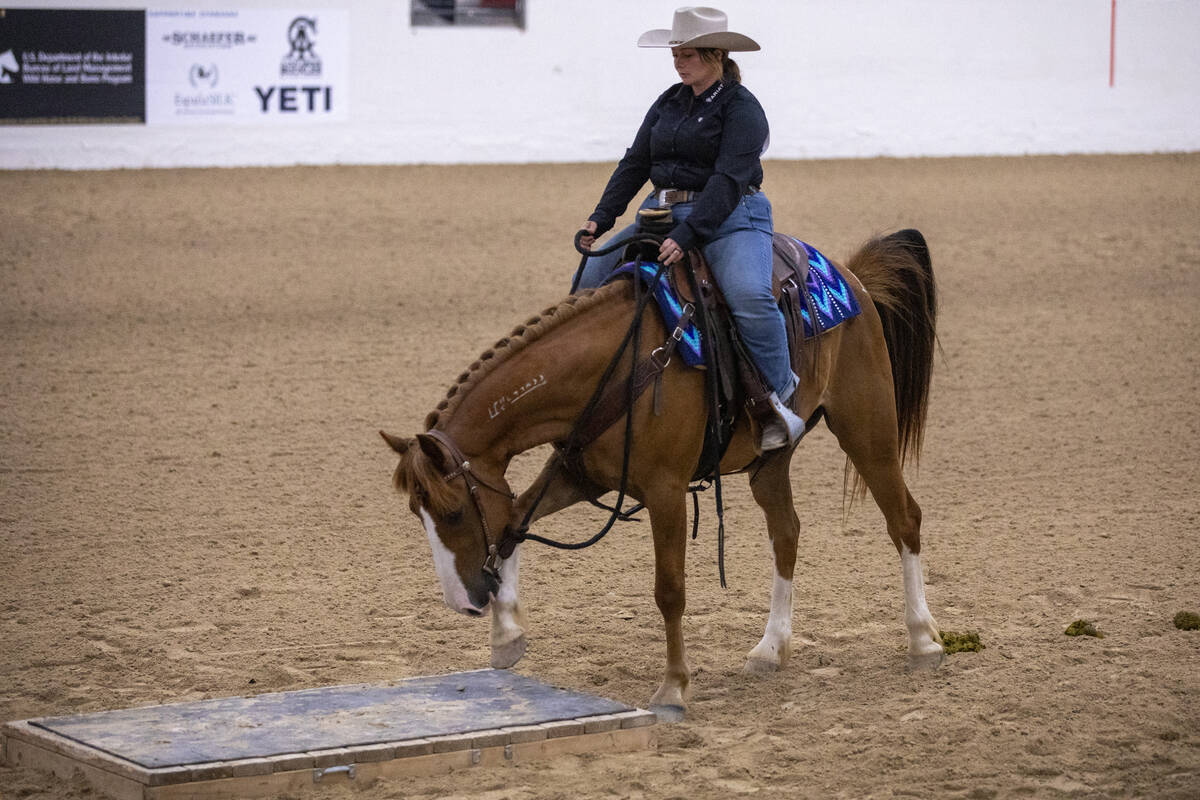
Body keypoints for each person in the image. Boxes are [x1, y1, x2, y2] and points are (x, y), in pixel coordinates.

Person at [575, 6, 804, 451]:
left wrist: (689, 234)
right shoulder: (668, 101)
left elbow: (729, 180)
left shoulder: (743, 108)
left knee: (750, 296)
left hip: (732, 217)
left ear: (716, 55)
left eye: (689, 54)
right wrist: (601, 217)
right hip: (661, 214)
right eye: (676, 53)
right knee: (587, 283)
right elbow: (636, 162)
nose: (679, 61)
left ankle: (781, 399)